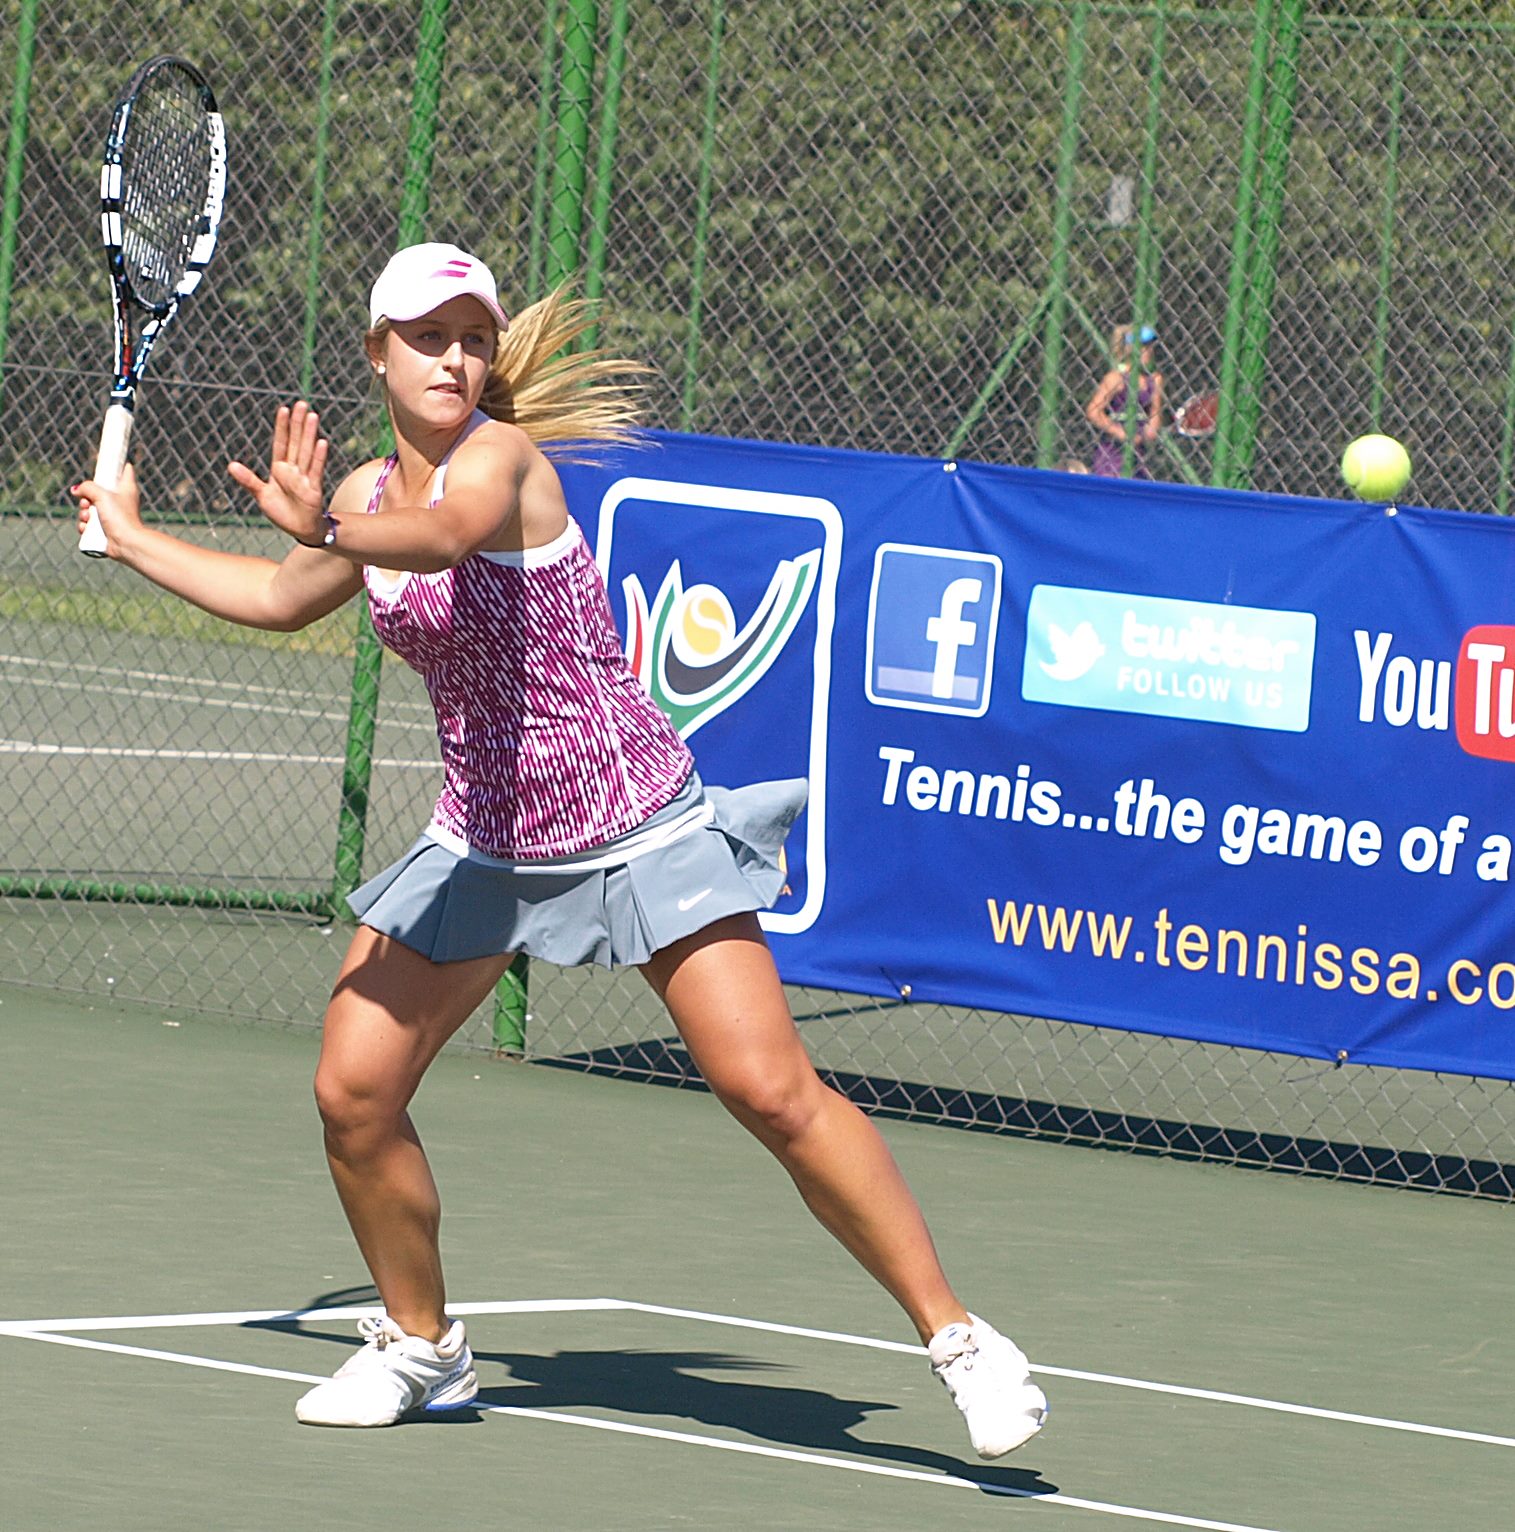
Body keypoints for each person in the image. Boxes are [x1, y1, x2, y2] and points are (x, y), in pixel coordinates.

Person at [69, 242, 1047, 1457]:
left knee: (768, 1088)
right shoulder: (369, 491)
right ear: (378, 351)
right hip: (483, 839)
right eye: (427, 336)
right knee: (353, 1092)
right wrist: (134, 534)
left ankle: (964, 1342)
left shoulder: (500, 461)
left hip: (636, 821)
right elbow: (281, 595)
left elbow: (442, 539)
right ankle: (426, 1347)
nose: (456, 357)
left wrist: (325, 516)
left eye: (472, 336)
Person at [1086, 323, 1164, 478]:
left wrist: (1151, 429)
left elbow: (1155, 411)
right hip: (1112, 453)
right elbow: (1093, 411)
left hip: (1140, 455)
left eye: (1149, 346)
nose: (1147, 351)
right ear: (1129, 348)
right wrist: (1121, 433)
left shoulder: (1154, 379)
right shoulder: (1116, 378)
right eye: (1142, 347)